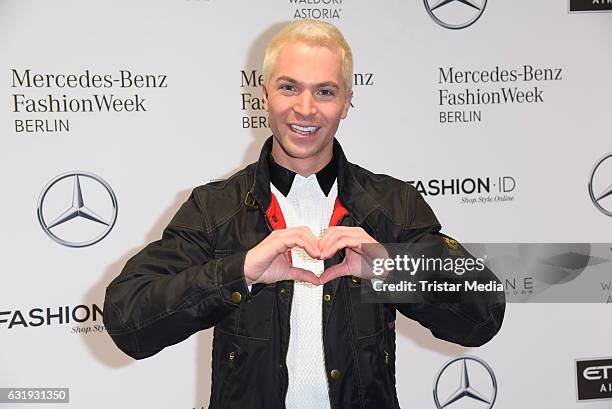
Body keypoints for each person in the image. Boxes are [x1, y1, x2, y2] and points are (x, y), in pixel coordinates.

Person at [103, 19, 505, 409]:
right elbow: (127, 320)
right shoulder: (215, 208)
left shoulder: (393, 205)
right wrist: (240, 272)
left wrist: (391, 269)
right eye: (289, 87)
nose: (305, 108)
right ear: (265, 95)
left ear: (347, 101)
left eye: (325, 92)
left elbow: (484, 314)